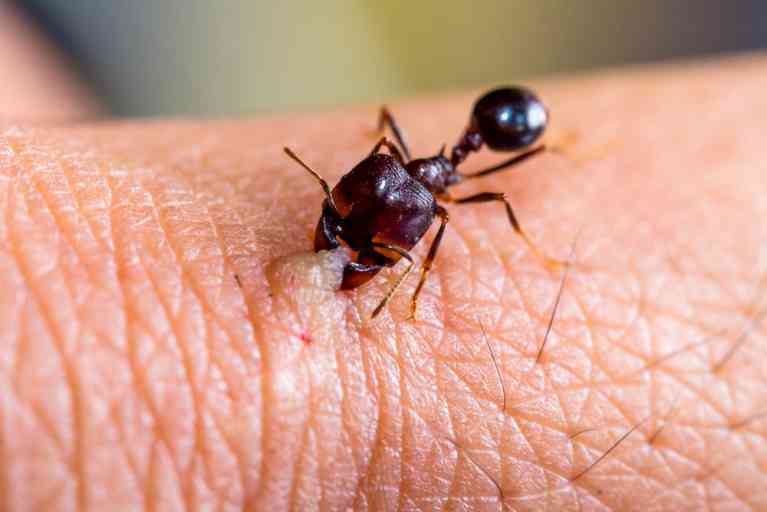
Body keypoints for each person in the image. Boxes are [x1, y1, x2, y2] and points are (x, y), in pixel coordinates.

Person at [1, 5, 765, 510]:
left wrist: (411, 284)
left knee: (487, 203)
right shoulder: (400, 167)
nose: (362, 220)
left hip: (506, 122)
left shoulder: (448, 193)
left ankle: (552, 143)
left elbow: (430, 218)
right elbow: (380, 181)